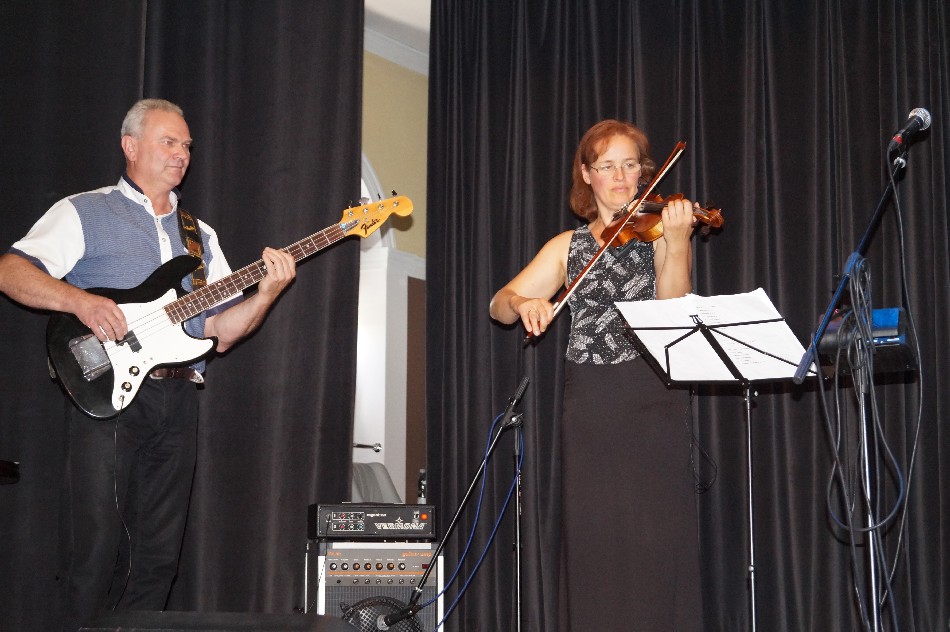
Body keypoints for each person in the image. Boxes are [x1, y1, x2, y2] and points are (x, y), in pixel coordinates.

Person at [0, 98, 297, 631]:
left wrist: (267, 294)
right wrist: (80, 302)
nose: (182, 153)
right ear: (130, 146)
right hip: (106, 394)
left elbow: (222, 332)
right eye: (169, 142)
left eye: (187, 145)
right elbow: (10, 271)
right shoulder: (84, 211)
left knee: (159, 554)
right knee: (94, 548)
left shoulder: (200, 236)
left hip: (178, 399)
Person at [489, 119, 703, 630]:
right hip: (590, 406)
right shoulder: (567, 246)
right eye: (607, 166)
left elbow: (673, 307)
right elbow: (499, 304)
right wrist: (524, 303)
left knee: (656, 542)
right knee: (595, 544)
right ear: (587, 175)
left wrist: (677, 242)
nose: (622, 177)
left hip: (652, 399)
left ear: (643, 172)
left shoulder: (659, 232)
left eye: (630, 165)